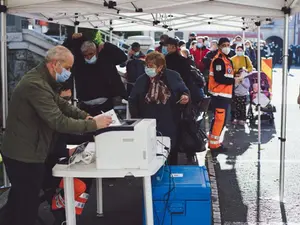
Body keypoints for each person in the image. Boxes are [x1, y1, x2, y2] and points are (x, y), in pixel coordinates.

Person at [0, 45, 112, 225]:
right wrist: (93, 124)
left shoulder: (44, 81)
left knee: (18, 201)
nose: (68, 72)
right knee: (26, 206)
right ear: (54, 64)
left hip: (28, 150)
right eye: (67, 68)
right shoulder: (35, 85)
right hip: (24, 154)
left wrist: (84, 115)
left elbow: (62, 104)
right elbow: (58, 121)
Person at [129, 52, 189, 165]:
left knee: (170, 150)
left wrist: (185, 97)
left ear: (160, 67)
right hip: (147, 120)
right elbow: (133, 99)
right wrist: (136, 120)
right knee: (150, 152)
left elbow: (184, 90)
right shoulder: (142, 80)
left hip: (169, 119)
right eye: (146, 65)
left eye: (151, 66)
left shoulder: (173, 76)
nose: (147, 69)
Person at [63, 33, 127, 116]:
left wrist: (106, 45)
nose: (88, 57)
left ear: (96, 51)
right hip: (85, 105)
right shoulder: (78, 63)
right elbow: (62, 53)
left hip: (105, 104)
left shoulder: (105, 59)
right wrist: (70, 39)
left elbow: (122, 57)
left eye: (91, 54)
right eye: (85, 55)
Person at [208, 37, 235, 156]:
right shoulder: (218, 60)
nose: (226, 47)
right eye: (224, 45)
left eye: (228, 45)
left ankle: (214, 142)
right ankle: (214, 145)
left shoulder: (226, 59)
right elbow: (219, 78)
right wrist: (234, 80)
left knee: (220, 121)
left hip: (224, 95)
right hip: (219, 95)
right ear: (219, 46)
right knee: (219, 120)